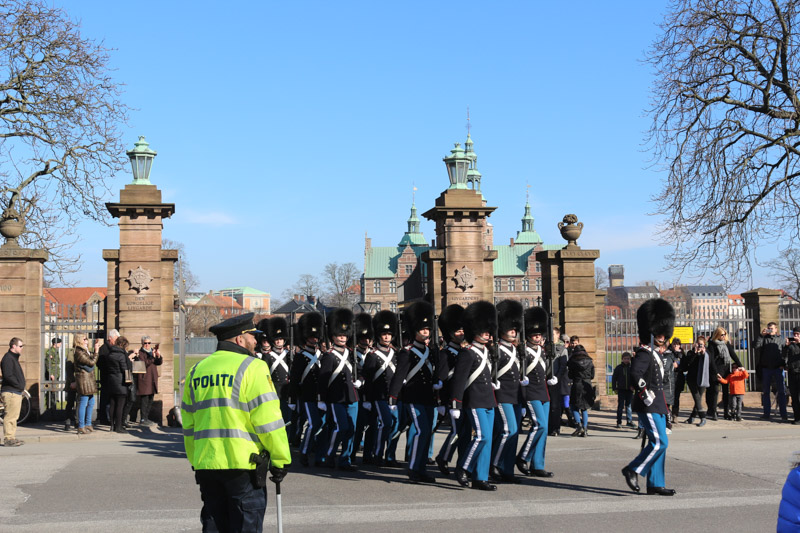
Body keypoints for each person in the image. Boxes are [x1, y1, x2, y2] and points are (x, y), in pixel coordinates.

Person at [182, 312, 290, 533]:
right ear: (240, 339)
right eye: (252, 336)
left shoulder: (196, 371)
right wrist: (280, 459)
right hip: (244, 466)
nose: (255, 341)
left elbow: (189, 424)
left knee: (214, 525)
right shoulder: (253, 367)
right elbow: (269, 421)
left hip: (207, 464)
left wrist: (196, 459)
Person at [621, 298, 676, 496]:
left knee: (661, 445)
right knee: (660, 442)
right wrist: (645, 394)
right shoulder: (644, 353)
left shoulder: (656, 354)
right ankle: (633, 469)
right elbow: (635, 374)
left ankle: (655, 483)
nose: (663, 338)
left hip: (658, 404)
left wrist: (666, 408)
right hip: (649, 404)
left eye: (664, 335)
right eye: (660, 335)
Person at [388, 300, 442, 484]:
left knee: (427, 433)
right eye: (422, 329)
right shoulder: (407, 352)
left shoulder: (431, 351)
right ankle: (413, 468)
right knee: (422, 430)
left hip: (428, 397)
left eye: (427, 329)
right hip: (413, 397)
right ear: (415, 330)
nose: (425, 332)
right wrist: (393, 399)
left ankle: (421, 468)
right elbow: (399, 376)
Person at [450, 300, 498, 491]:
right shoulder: (467, 353)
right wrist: (455, 405)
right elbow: (459, 381)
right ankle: (462, 467)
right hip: (475, 400)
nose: (487, 333)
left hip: (488, 400)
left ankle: (481, 477)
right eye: (483, 329)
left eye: (488, 330)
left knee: (487, 441)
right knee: (481, 437)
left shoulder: (486, 351)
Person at [318, 308, 362, 471]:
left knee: (351, 429)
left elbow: (361, 372)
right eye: (339, 335)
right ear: (333, 336)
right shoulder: (329, 356)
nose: (342, 337)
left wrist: (360, 381)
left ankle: (345, 459)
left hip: (352, 396)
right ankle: (330, 455)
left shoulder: (352, 353)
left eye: (344, 334)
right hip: (335, 398)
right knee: (341, 427)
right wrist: (321, 399)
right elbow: (323, 379)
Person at [490, 299, 525, 484]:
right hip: (502, 395)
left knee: (514, 432)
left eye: (515, 327)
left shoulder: (517, 349)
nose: (513, 330)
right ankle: (494, 465)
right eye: (510, 327)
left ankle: (507, 468)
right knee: (508, 430)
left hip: (515, 395)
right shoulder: (495, 349)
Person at [517, 306, 554, 478]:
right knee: (541, 425)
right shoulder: (523, 352)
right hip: (531, 392)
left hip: (543, 392)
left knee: (544, 430)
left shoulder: (543, 351)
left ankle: (538, 464)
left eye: (539, 334)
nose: (538, 336)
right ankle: (523, 456)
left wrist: (551, 377)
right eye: (535, 334)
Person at [363, 310, 399, 466]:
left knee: (396, 425)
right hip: (378, 395)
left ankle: (390, 455)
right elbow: (368, 379)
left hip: (393, 395)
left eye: (389, 334)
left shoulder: (396, 353)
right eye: (384, 334)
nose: (386, 337)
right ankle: (377, 454)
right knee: (386, 423)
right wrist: (366, 399)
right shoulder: (372, 355)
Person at [289, 312, 325, 467]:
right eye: (311, 336)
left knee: (322, 425)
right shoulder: (300, 356)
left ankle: (319, 454)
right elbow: (295, 379)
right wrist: (292, 399)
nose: (314, 339)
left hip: (321, 396)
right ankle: (304, 451)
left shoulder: (323, 355)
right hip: (307, 396)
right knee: (314, 424)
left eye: (316, 336)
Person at [434, 304, 465, 475]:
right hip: (451, 397)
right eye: (457, 330)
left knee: (462, 431)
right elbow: (442, 379)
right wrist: (441, 401)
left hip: (462, 396)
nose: (461, 333)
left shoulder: (463, 351)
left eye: (462, 330)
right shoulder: (446, 353)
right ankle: (443, 457)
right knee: (457, 431)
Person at [263, 317, 293, 440]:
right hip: (275, 389)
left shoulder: (289, 354)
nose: (279, 341)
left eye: (281, 339)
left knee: (288, 417)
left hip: (287, 390)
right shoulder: (268, 356)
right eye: (277, 339)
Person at [679, 337, 715, 427]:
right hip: (692, 379)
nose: (699, 346)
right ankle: (703, 417)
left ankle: (692, 417)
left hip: (703, 379)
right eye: (698, 344)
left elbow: (711, 363)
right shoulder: (691, 353)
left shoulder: (707, 353)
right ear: (695, 344)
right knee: (697, 398)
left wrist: (703, 354)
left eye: (701, 344)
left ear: (704, 345)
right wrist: (695, 353)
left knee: (698, 399)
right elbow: (688, 364)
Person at [756, 322, 789, 422]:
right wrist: (761, 335)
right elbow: (756, 346)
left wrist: (784, 364)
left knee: (781, 392)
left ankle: (784, 414)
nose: (770, 330)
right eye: (768, 328)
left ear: (776, 329)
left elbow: (786, 352)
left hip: (778, 368)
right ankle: (766, 414)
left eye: (772, 328)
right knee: (766, 392)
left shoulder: (780, 339)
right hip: (766, 368)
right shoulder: (764, 339)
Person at [707, 327, 741, 421]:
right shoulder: (712, 344)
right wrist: (715, 372)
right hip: (716, 370)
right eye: (722, 334)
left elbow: (733, 354)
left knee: (726, 392)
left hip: (726, 370)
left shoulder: (726, 343)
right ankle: (713, 411)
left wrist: (740, 365)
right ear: (717, 334)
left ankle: (726, 412)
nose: (724, 336)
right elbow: (712, 360)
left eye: (725, 334)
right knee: (715, 392)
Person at [1, 337, 26, 446]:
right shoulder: (8, 358)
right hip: (11, 391)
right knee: (10, 416)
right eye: (20, 346)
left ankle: (12, 437)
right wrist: (19, 385)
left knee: (14, 416)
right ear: (13, 346)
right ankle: (8, 438)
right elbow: (8, 375)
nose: (22, 348)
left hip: (15, 391)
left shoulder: (13, 358)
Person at [73, 334, 98, 435]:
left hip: (89, 379)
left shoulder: (85, 350)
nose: (87, 340)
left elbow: (91, 364)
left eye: (87, 338)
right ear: (79, 340)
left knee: (91, 401)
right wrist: (96, 352)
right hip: (84, 380)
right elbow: (91, 363)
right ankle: (81, 425)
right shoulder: (79, 352)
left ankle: (88, 423)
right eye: (84, 339)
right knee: (83, 402)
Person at [567, 343, 594, 437]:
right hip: (587, 384)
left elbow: (570, 375)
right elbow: (592, 375)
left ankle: (579, 426)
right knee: (584, 408)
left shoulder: (572, 361)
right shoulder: (590, 361)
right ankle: (585, 428)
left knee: (574, 406)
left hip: (577, 384)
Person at [107, 336, 132, 433]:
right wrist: (129, 360)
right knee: (120, 405)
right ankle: (118, 426)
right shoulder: (121, 355)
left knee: (112, 404)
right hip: (120, 381)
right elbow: (125, 368)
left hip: (111, 380)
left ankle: (112, 426)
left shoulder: (110, 353)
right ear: (123, 345)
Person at [136, 336, 162, 426]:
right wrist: (152, 357)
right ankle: (143, 418)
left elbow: (158, 362)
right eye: (145, 343)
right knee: (145, 399)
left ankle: (146, 417)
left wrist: (158, 356)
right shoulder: (140, 353)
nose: (147, 345)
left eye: (149, 343)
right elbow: (144, 364)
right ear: (142, 344)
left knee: (151, 398)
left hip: (152, 378)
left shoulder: (152, 351)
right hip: (144, 379)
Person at [547, 327, 569, 436]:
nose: (551, 336)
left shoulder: (562, 349)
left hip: (555, 381)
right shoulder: (544, 347)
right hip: (544, 381)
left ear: (558, 335)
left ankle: (555, 428)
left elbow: (563, 365)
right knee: (546, 405)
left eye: (553, 334)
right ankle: (547, 427)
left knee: (555, 406)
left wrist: (557, 378)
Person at [96, 329, 120, 426]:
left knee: (112, 399)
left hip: (113, 378)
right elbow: (99, 364)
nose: (117, 340)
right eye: (116, 338)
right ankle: (103, 418)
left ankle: (111, 418)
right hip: (106, 377)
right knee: (105, 399)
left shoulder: (116, 348)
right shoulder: (103, 349)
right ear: (110, 338)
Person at [612, 352, 635, 429]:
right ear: (622, 359)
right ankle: (619, 422)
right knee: (620, 406)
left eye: (628, 359)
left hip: (629, 389)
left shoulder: (632, 367)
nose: (626, 360)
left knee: (628, 406)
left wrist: (633, 386)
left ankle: (629, 421)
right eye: (625, 359)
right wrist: (614, 388)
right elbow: (614, 378)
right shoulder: (618, 368)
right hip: (621, 389)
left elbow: (634, 378)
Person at [784, 327, 800, 425]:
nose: (795, 336)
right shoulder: (791, 345)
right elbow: (784, 356)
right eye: (794, 334)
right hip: (792, 372)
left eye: (798, 334)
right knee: (794, 397)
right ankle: (797, 417)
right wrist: (786, 346)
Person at [669, 338, 686, 420]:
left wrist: (679, 367)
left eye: (677, 344)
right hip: (669, 378)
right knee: (668, 397)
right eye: (674, 344)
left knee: (676, 397)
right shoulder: (668, 353)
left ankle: (675, 414)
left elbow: (686, 366)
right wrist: (672, 365)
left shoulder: (682, 354)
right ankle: (667, 414)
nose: (676, 346)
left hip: (678, 378)